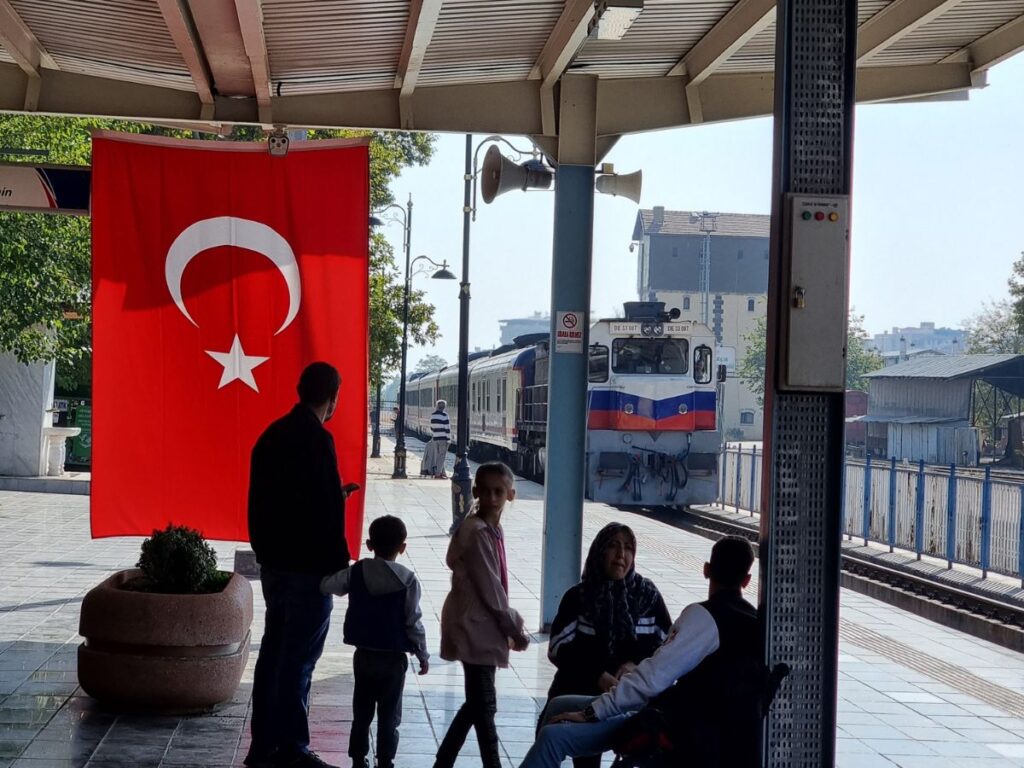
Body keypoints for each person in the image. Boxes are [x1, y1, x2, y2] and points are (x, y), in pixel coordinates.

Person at [519, 536, 759, 768]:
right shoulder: (754, 621)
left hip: (672, 728)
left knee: (553, 737)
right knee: (559, 705)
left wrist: (592, 713)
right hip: (709, 730)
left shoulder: (703, 618)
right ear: (747, 580)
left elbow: (652, 678)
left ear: (706, 569)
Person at [245, 362, 357, 768]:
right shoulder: (318, 440)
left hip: (275, 565)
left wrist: (264, 551)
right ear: (333, 399)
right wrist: (338, 567)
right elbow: (324, 509)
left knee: (274, 653)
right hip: (309, 571)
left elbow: (261, 502)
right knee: (299, 659)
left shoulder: (271, 436)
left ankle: (263, 746)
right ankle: (293, 747)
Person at [543, 523, 672, 768]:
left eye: (628, 548)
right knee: (582, 754)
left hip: (630, 700)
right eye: (613, 546)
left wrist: (636, 665)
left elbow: (666, 647)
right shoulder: (579, 597)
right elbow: (559, 647)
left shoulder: (648, 596)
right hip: (582, 693)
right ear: (599, 551)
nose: (621, 555)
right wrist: (597, 675)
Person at [434, 462, 531, 768]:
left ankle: (443, 761)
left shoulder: (489, 530)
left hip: (476, 626)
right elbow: (491, 587)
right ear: (475, 491)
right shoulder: (477, 533)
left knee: (477, 705)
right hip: (475, 626)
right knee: (484, 706)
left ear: (510, 495)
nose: (491, 498)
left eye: (498, 492)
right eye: (486, 491)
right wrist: (514, 629)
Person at [320, 515, 429, 768]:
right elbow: (413, 621)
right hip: (394, 659)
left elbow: (327, 586)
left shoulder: (357, 572)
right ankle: (386, 761)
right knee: (390, 714)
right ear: (403, 547)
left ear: (369, 545)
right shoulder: (408, 580)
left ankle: (358, 759)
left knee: (362, 711)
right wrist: (423, 654)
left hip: (364, 655)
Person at [421, 399, 451, 478]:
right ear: (444, 407)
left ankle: (442, 472)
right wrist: (449, 439)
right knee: (441, 456)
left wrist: (436, 432)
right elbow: (447, 428)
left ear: (437, 406)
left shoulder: (433, 415)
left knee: (438, 456)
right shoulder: (445, 415)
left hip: (435, 438)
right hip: (443, 439)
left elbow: (431, 427)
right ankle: (438, 473)